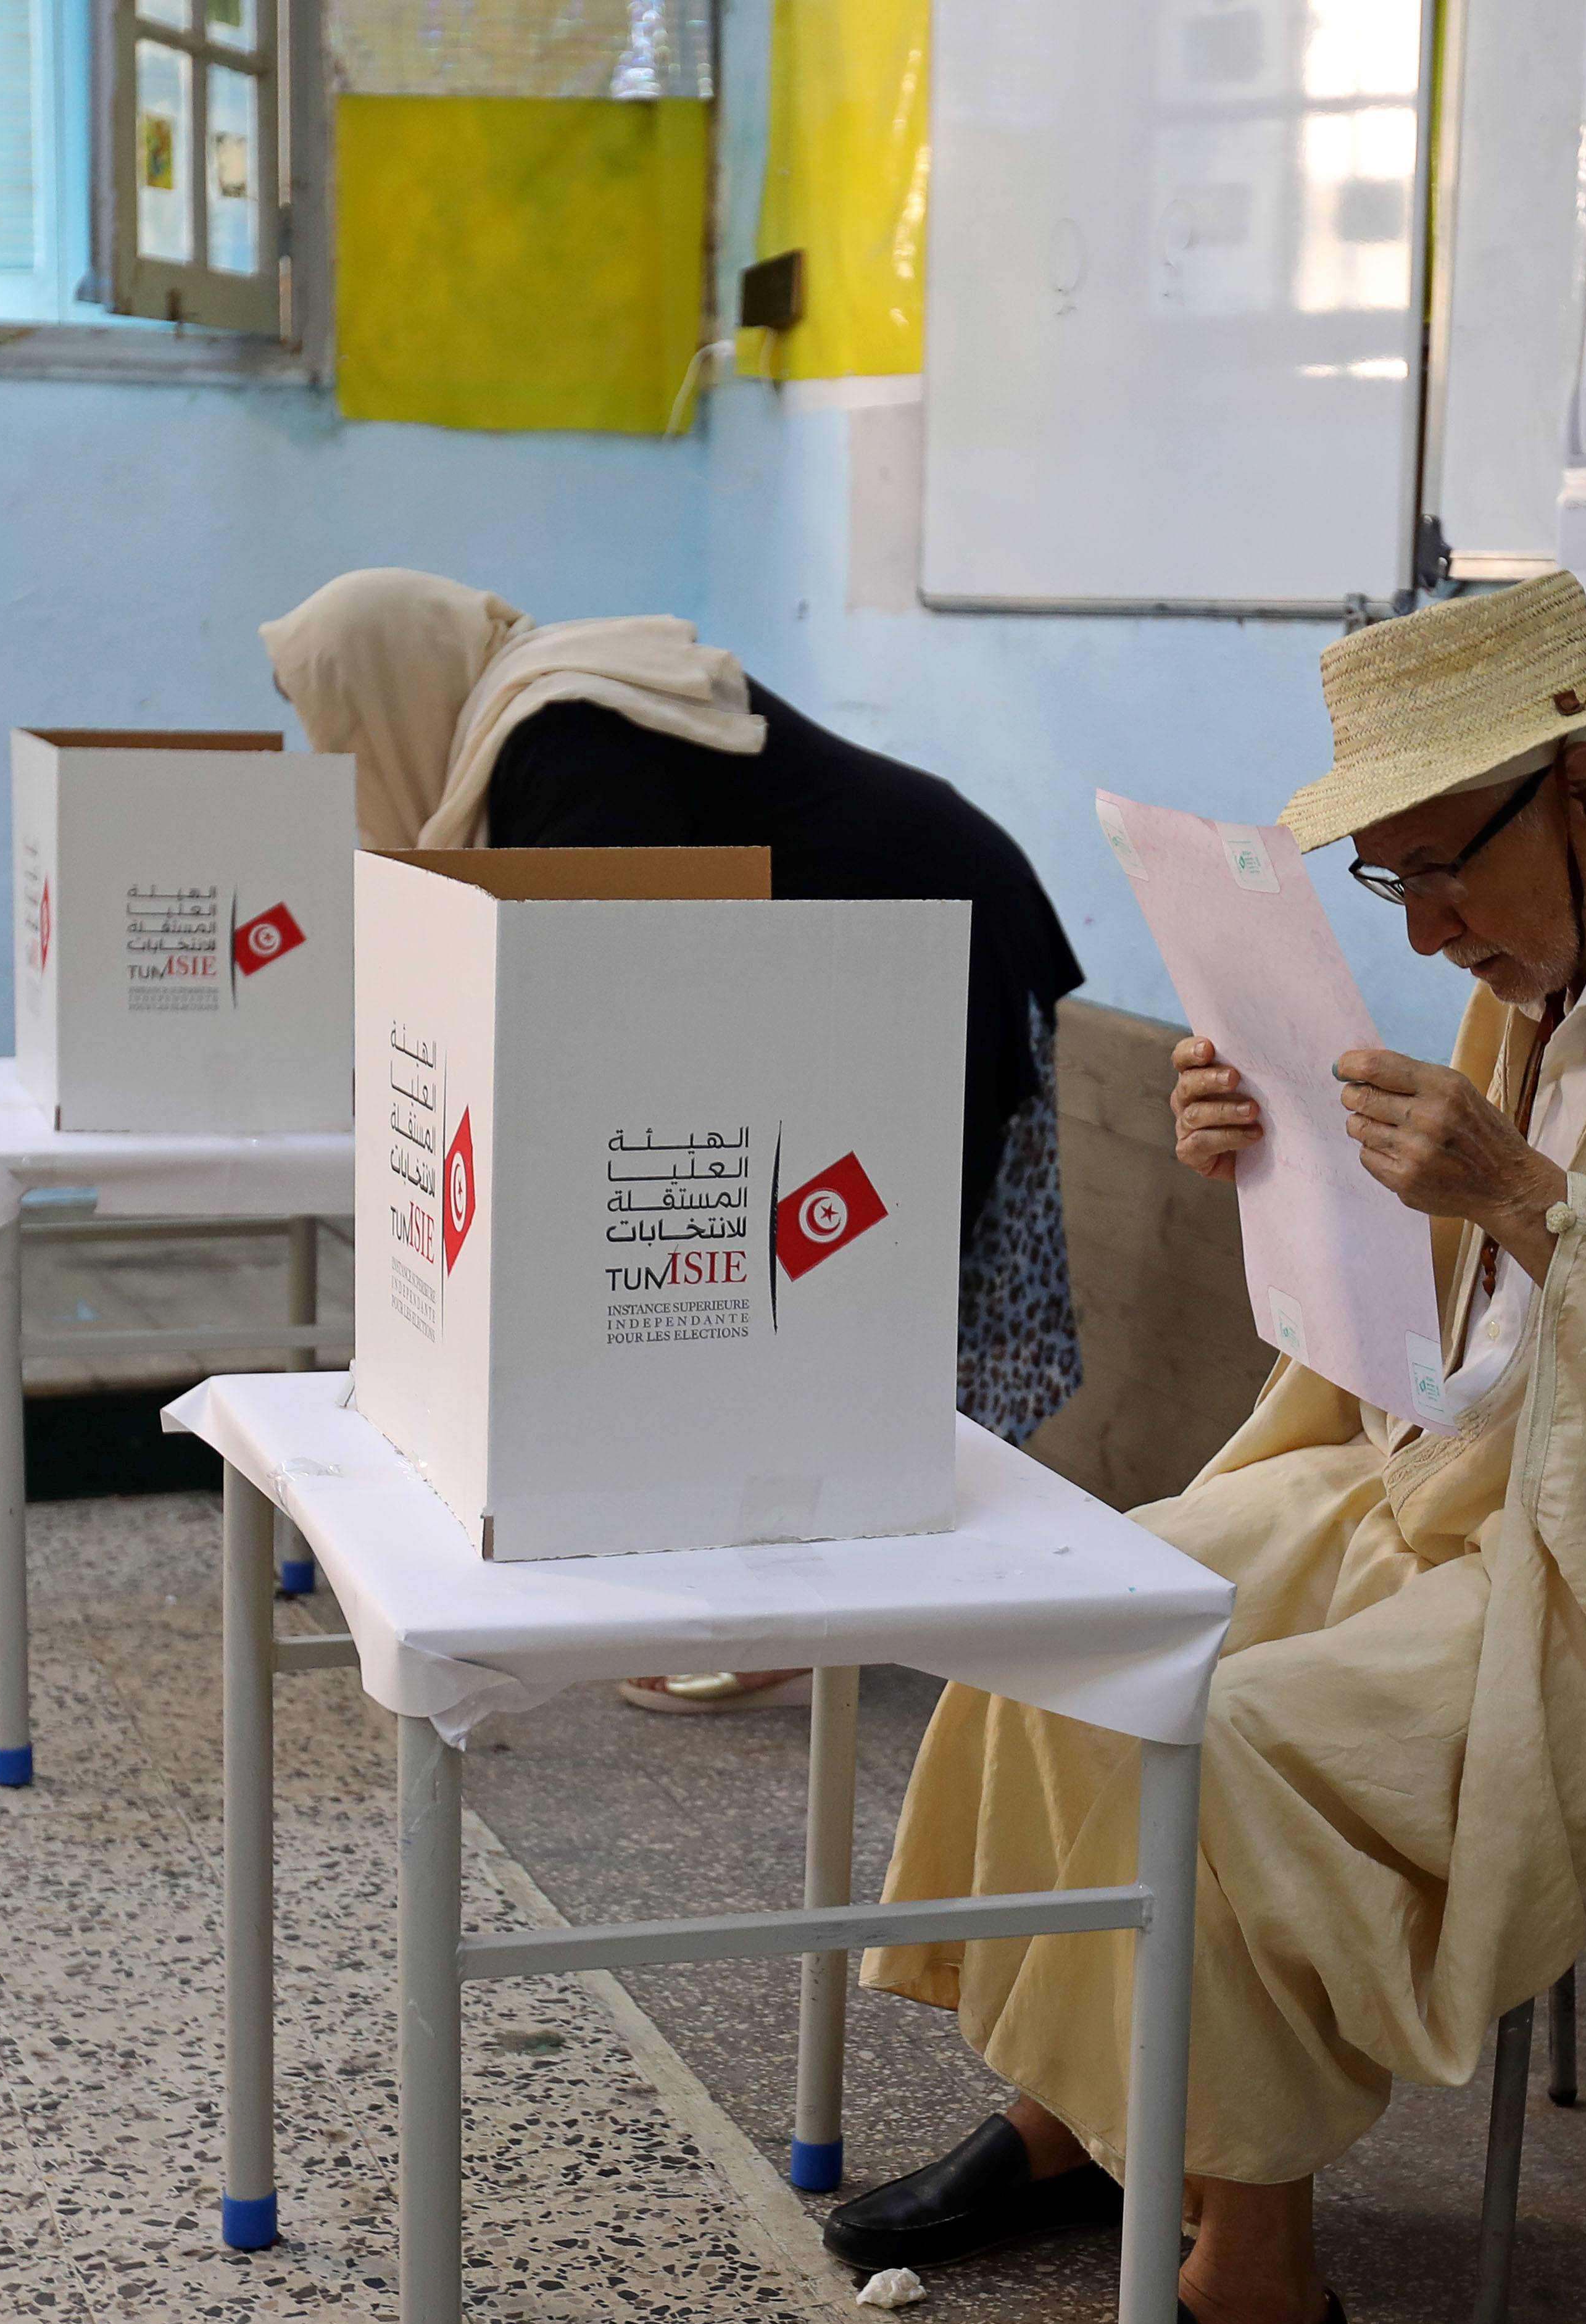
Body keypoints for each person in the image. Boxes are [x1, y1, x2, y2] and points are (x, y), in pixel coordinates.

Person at [819, 574, 1586, 2324]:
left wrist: (1530, 1199)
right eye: (1389, 885)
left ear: (1585, 781)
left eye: (1439, 871)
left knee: (1241, 1738)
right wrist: (1281, 1148)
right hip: (1466, 1478)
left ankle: (1257, 2302)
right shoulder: (1531, 937)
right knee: (1089, 1604)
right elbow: (1454, 1323)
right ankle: (1088, 2111)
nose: (1427, 926)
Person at [257, 570, 1090, 1714]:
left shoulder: (566, 733)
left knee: (848, 1282)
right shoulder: (542, 711)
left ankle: (816, 1610)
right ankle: (797, 1579)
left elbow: (593, 975)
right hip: (863, 958)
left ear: (396, 684)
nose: (345, 767)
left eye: (343, 730)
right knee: (809, 1277)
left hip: (916, 954)